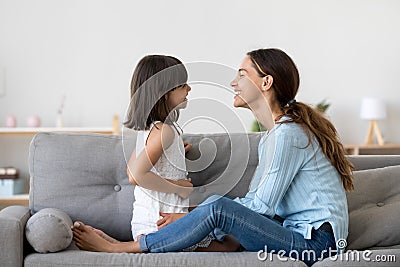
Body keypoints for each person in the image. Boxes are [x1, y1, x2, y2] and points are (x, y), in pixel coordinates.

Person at [72, 48, 354, 266]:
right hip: (296, 232)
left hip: (315, 244)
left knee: (218, 207)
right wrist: (194, 215)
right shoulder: (272, 137)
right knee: (220, 217)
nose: (234, 82)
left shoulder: (287, 135)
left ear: (266, 83)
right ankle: (145, 240)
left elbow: (260, 207)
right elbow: (259, 203)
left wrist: (192, 216)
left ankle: (122, 247)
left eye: (242, 74)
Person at [73, 54, 239, 252]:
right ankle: (118, 247)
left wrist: (175, 152)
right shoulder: (164, 132)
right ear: (164, 92)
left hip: (153, 222)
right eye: (182, 85)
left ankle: (122, 244)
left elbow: (132, 168)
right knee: (230, 244)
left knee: (227, 236)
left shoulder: (155, 130)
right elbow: (135, 175)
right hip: (162, 225)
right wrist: (178, 187)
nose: (189, 88)